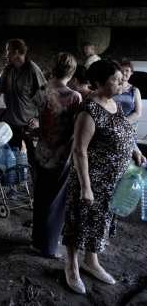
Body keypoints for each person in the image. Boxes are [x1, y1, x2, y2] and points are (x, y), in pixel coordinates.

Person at [63, 60, 144, 294]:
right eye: (116, 79)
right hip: (92, 180)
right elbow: (79, 150)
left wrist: (135, 151)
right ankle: (72, 266)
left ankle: (92, 261)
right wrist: (85, 187)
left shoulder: (114, 104)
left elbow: (123, 132)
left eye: (122, 78)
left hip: (112, 182)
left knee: (100, 223)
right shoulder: (89, 111)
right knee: (80, 222)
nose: (122, 82)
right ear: (99, 83)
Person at [32, 53, 82, 259]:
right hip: (61, 154)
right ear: (71, 72)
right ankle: (49, 247)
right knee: (56, 202)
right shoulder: (73, 97)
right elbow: (76, 130)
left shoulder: (42, 90)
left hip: (41, 149)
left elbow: (35, 121)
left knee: (41, 197)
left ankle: (36, 240)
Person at [0, 39, 47, 179]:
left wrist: (39, 119)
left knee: (34, 160)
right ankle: (13, 187)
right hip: (11, 122)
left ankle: (37, 189)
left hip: (28, 124)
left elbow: (45, 98)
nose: (6, 54)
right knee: (11, 158)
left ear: (16, 52)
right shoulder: (8, 69)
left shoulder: (32, 70)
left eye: (7, 51)